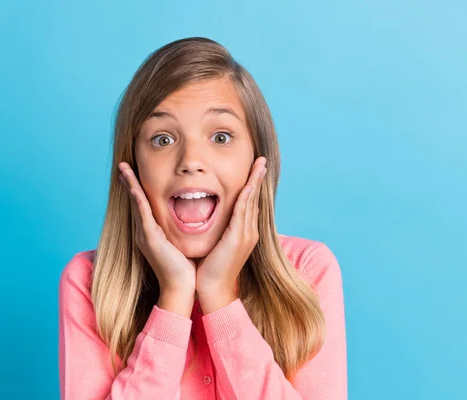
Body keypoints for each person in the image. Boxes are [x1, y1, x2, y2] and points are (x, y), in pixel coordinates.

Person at [58, 37, 347, 399]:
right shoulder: (89, 283)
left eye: (221, 136)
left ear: (258, 161)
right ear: (130, 167)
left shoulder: (308, 271)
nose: (191, 160)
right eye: (163, 139)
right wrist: (175, 297)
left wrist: (220, 297)